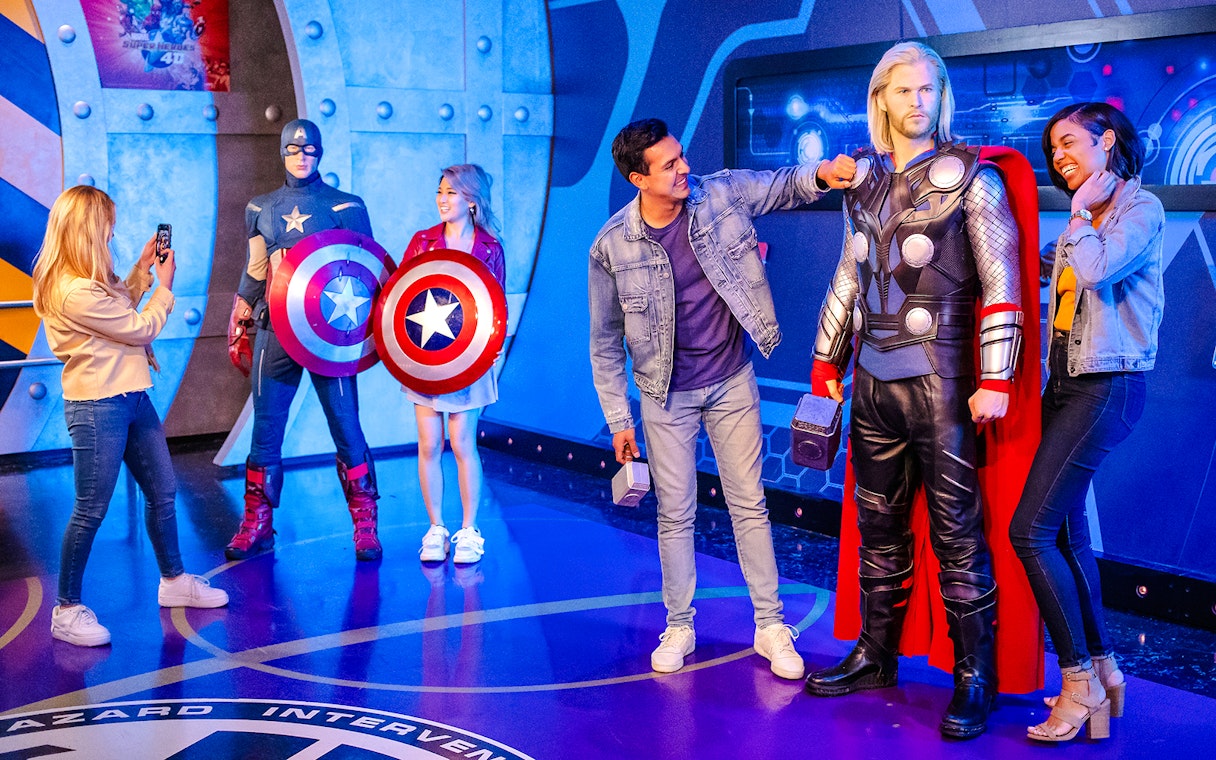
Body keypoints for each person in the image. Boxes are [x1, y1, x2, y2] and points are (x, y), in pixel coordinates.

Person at [802, 42, 1032, 739]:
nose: (918, 102)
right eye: (903, 91)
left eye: (928, 89)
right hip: (873, 380)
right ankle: (876, 655)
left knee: (959, 534)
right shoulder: (865, 183)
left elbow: (1003, 285)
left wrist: (995, 378)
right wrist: (825, 361)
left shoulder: (975, 181)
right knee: (878, 528)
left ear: (941, 95)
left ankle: (976, 676)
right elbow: (850, 272)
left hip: (944, 383)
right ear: (882, 100)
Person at [589, 117, 855, 679]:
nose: (685, 168)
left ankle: (770, 625)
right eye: (669, 165)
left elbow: (783, 184)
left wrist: (826, 175)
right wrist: (618, 418)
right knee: (675, 514)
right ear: (639, 178)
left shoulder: (720, 194)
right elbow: (604, 344)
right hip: (664, 397)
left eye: (681, 156)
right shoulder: (612, 246)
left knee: (749, 505)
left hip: (732, 379)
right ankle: (679, 626)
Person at [1010, 102, 1164, 743]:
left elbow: (1097, 269)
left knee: (1030, 532)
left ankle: (1078, 682)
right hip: (1067, 385)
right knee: (1068, 537)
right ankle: (1103, 671)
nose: (1060, 158)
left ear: (1108, 142)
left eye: (1069, 143)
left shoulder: (1139, 209)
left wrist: (1077, 217)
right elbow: (1045, 271)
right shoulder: (1091, 220)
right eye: (1053, 150)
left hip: (1108, 387)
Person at [32, 185, 229, 647]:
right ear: (86, 230)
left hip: (132, 397)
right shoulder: (71, 290)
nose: (111, 235)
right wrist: (164, 287)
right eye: (106, 228)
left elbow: (117, 305)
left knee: (163, 491)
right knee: (90, 510)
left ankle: (174, 581)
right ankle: (65, 609)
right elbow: (137, 327)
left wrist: (141, 272)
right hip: (98, 406)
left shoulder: (90, 281)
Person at [224, 119, 382, 562]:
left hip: (329, 337)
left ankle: (365, 523)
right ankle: (257, 522)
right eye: (294, 150)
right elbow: (256, 270)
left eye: (309, 149)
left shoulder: (347, 205)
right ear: (282, 152)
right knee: (265, 430)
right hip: (274, 331)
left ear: (320, 153)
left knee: (347, 428)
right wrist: (239, 311)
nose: (301, 155)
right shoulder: (261, 207)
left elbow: (366, 272)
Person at [404, 164, 506, 565]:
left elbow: (497, 305)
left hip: (469, 361)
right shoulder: (422, 241)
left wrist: (489, 348)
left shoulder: (488, 247)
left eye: (452, 193)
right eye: (440, 191)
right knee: (429, 444)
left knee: (463, 443)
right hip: (426, 361)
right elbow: (403, 297)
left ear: (472, 200)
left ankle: (468, 530)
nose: (443, 199)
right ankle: (435, 528)